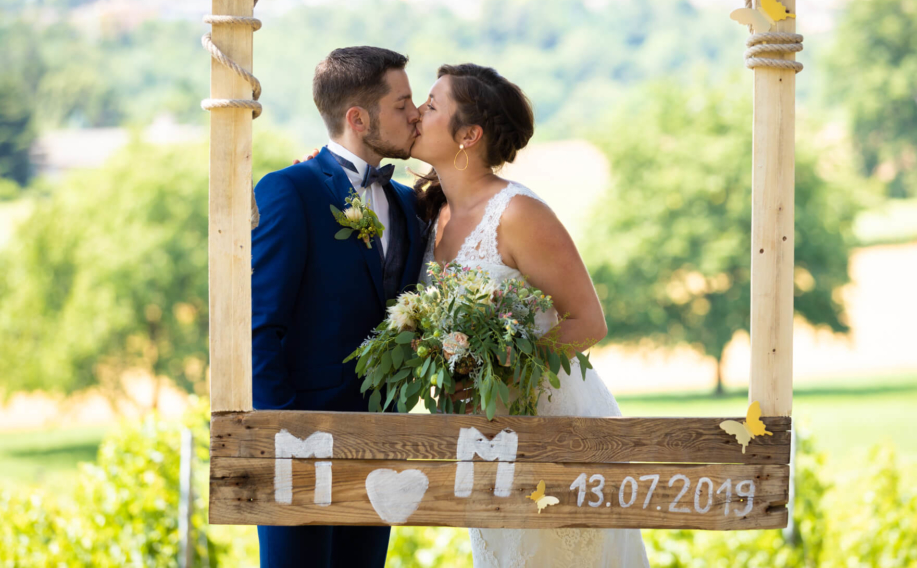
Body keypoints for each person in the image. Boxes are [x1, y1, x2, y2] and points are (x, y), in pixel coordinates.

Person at [412, 63, 650, 568]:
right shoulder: (431, 213)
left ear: (468, 135)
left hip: (551, 424)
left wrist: (501, 371)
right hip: (483, 435)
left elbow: (588, 321)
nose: (416, 112)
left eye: (431, 106)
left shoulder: (518, 213)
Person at [251, 46, 427, 568]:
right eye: (402, 104)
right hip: (300, 448)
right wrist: (288, 440)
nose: (415, 114)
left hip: (380, 448)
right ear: (358, 118)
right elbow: (258, 327)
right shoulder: (290, 190)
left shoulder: (408, 203)